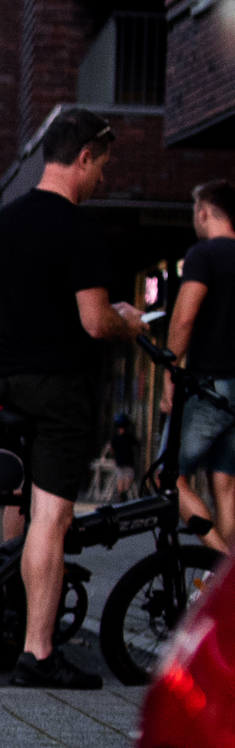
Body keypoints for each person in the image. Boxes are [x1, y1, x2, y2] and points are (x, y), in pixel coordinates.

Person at [0, 108, 145, 688]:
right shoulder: (80, 228)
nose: (102, 176)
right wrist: (132, 321)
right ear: (83, 158)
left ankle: (9, 616)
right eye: (101, 165)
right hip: (57, 389)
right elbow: (95, 322)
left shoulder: (4, 223)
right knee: (52, 519)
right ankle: (39, 650)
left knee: (22, 504)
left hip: (2, 379)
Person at [166, 178, 235, 554]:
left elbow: (184, 319)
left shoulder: (203, 256)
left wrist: (169, 373)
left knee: (169, 478)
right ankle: (221, 587)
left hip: (210, 384)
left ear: (204, 211)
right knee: (225, 485)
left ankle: (223, 565)